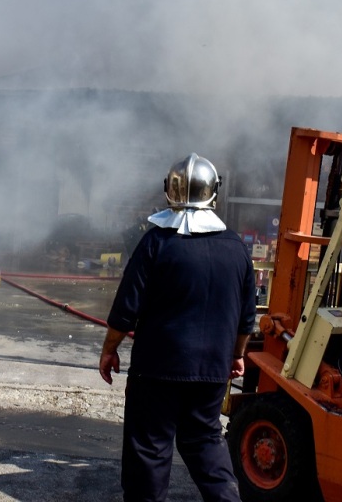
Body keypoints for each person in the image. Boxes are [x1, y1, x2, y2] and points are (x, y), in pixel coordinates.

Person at [99, 153, 256, 502]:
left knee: (150, 452)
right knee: (204, 441)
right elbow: (247, 316)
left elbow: (126, 308)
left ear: (168, 192)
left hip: (157, 370)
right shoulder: (237, 249)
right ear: (214, 192)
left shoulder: (156, 243)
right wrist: (237, 355)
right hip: (213, 370)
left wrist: (109, 349)